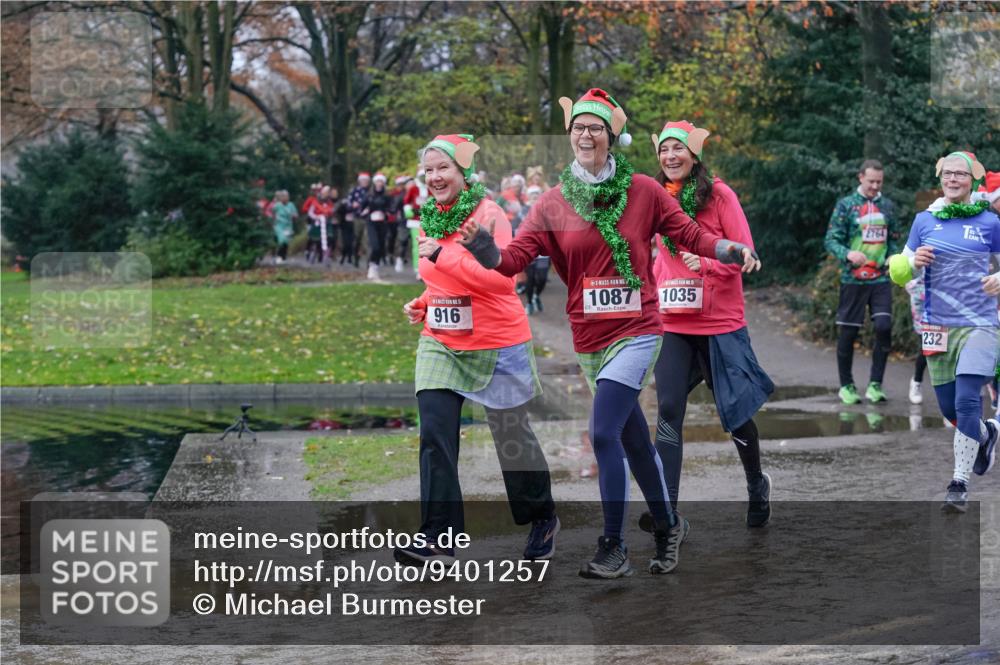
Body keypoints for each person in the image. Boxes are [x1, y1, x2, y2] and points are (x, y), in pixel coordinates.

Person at [458, 88, 760, 578]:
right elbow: (511, 262)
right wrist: (485, 246)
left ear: (612, 136)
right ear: (569, 136)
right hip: (588, 337)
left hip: (638, 327)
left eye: (595, 126)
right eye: (578, 126)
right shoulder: (553, 204)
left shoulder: (643, 190)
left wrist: (726, 248)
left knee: (602, 433)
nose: (585, 133)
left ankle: (614, 546)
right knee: (636, 442)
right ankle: (667, 524)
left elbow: (690, 234)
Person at [394, 133, 559, 566]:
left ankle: (542, 517)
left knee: (511, 438)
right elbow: (439, 280)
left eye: (442, 168)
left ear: (463, 173)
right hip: (442, 342)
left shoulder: (490, 214)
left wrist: (443, 259)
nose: (434, 177)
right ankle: (439, 538)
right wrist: (425, 303)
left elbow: (505, 280)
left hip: (497, 341)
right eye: (428, 170)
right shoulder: (430, 216)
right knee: (434, 433)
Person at [645, 120, 775, 529]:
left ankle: (756, 483)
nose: (670, 157)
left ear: (694, 155)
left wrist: (709, 264)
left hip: (719, 322)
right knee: (667, 409)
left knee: (736, 415)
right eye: (664, 150)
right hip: (674, 322)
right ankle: (666, 511)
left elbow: (745, 253)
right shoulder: (654, 197)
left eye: (678, 149)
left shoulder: (719, 196)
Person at [888, 150, 1000, 512]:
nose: (953, 180)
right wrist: (910, 263)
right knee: (952, 409)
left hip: (981, 323)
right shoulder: (924, 220)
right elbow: (899, 270)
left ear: (973, 181)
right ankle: (987, 434)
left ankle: (959, 485)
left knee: (969, 399)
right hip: (937, 324)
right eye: (947, 174)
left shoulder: (990, 222)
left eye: (960, 174)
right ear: (940, 180)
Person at [824, 159, 900, 404]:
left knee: (884, 328)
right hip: (853, 279)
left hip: (880, 278)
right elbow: (831, 239)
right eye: (871, 181)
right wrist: (847, 253)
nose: (875, 186)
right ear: (860, 178)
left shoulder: (887, 206)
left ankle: (876, 385)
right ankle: (846, 386)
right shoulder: (846, 205)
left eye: (879, 182)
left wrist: (893, 257)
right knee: (848, 332)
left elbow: (896, 240)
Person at [518, 186, 550, 315]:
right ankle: (530, 302)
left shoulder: (548, 209)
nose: (535, 196)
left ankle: (537, 295)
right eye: (533, 194)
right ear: (528, 196)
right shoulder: (523, 210)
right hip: (529, 250)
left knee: (542, 278)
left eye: (537, 194)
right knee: (530, 279)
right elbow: (516, 228)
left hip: (543, 251)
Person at [364, 173, 392, 280]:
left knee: (380, 247)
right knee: (374, 246)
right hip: (371, 222)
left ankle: (375, 266)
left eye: (381, 182)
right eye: (378, 181)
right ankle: (371, 265)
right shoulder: (369, 195)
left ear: (383, 183)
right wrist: (366, 211)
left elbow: (391, 207)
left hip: (382, 223)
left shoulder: (386, 196)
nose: (379, 184)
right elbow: (362, 206)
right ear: (374, 183)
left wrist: (387, 212)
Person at [347, 172, 371, 268]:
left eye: (366, 180)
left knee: (367, 240)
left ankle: (369, 261)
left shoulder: (371, 191)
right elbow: (348, 203)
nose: (364, 182)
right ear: (359, 181)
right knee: (357, 238)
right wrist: (352, 205)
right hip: (357, 218)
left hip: (369, 219)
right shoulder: (354, 191)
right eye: (363, 180)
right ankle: (355, 258)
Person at [270, 190, 298, 264]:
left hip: (288, 226)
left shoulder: (291, 205)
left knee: (286, 242)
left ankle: (283, 257)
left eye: (286, 196)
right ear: (281, 198)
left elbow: (295, 215)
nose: (285, 198)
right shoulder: (278, 205)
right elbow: (271, 211)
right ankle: (278, 256)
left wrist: (294, 216)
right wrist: (273, 220)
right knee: (282, 239)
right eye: (283, 196)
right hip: (279, 225)